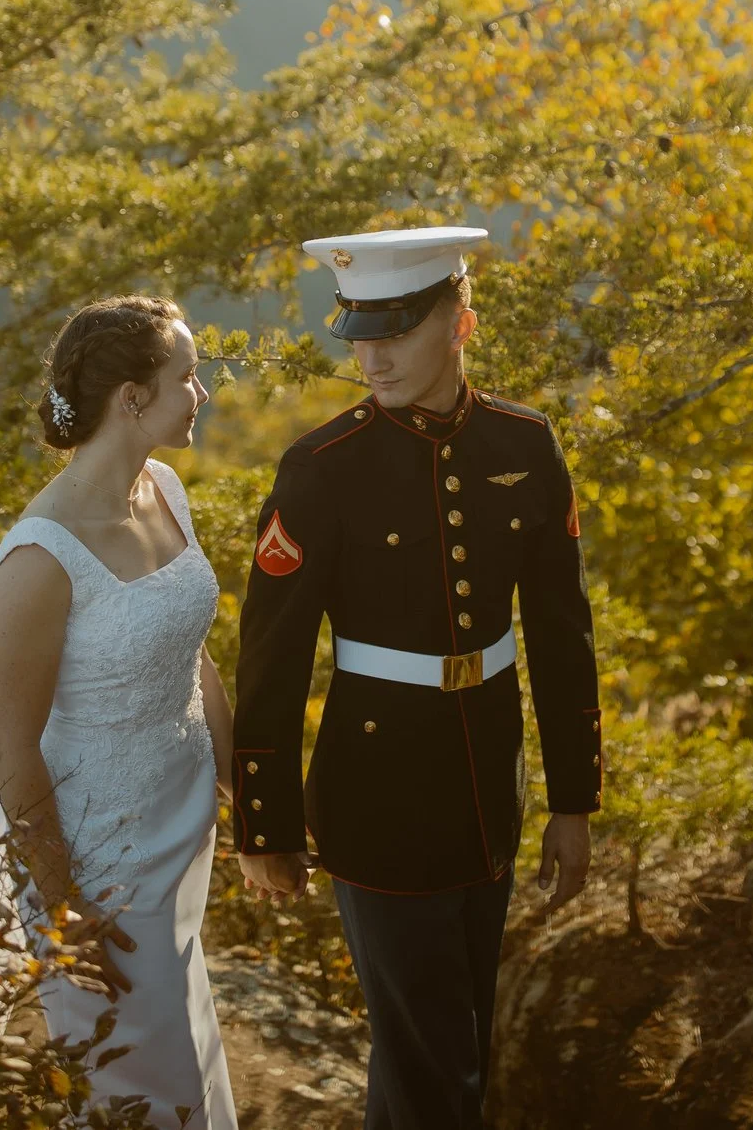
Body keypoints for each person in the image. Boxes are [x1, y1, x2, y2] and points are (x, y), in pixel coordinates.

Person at [234, 227, 602, 1130]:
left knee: (441, 1050)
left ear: (461, 323)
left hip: (489, 783)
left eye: (395, 330)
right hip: (375, 796)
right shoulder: (321, 469)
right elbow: (271, 659)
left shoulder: (526, 443)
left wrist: (572, 801)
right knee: (437, 1065)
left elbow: (561, 636)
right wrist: (263, 826)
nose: (371, 354)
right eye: (359, 332)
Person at [0, 294, 238, 1130]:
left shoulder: (163, 487)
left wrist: (247, 787)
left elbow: (194, 655)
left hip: (182, 822)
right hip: (100, 859)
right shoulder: (41, 557)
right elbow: (11, 743)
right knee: (141, 1078)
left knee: (191, 1038)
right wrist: (62, 903)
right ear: (131, 397)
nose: (202, 392)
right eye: (186, 377)